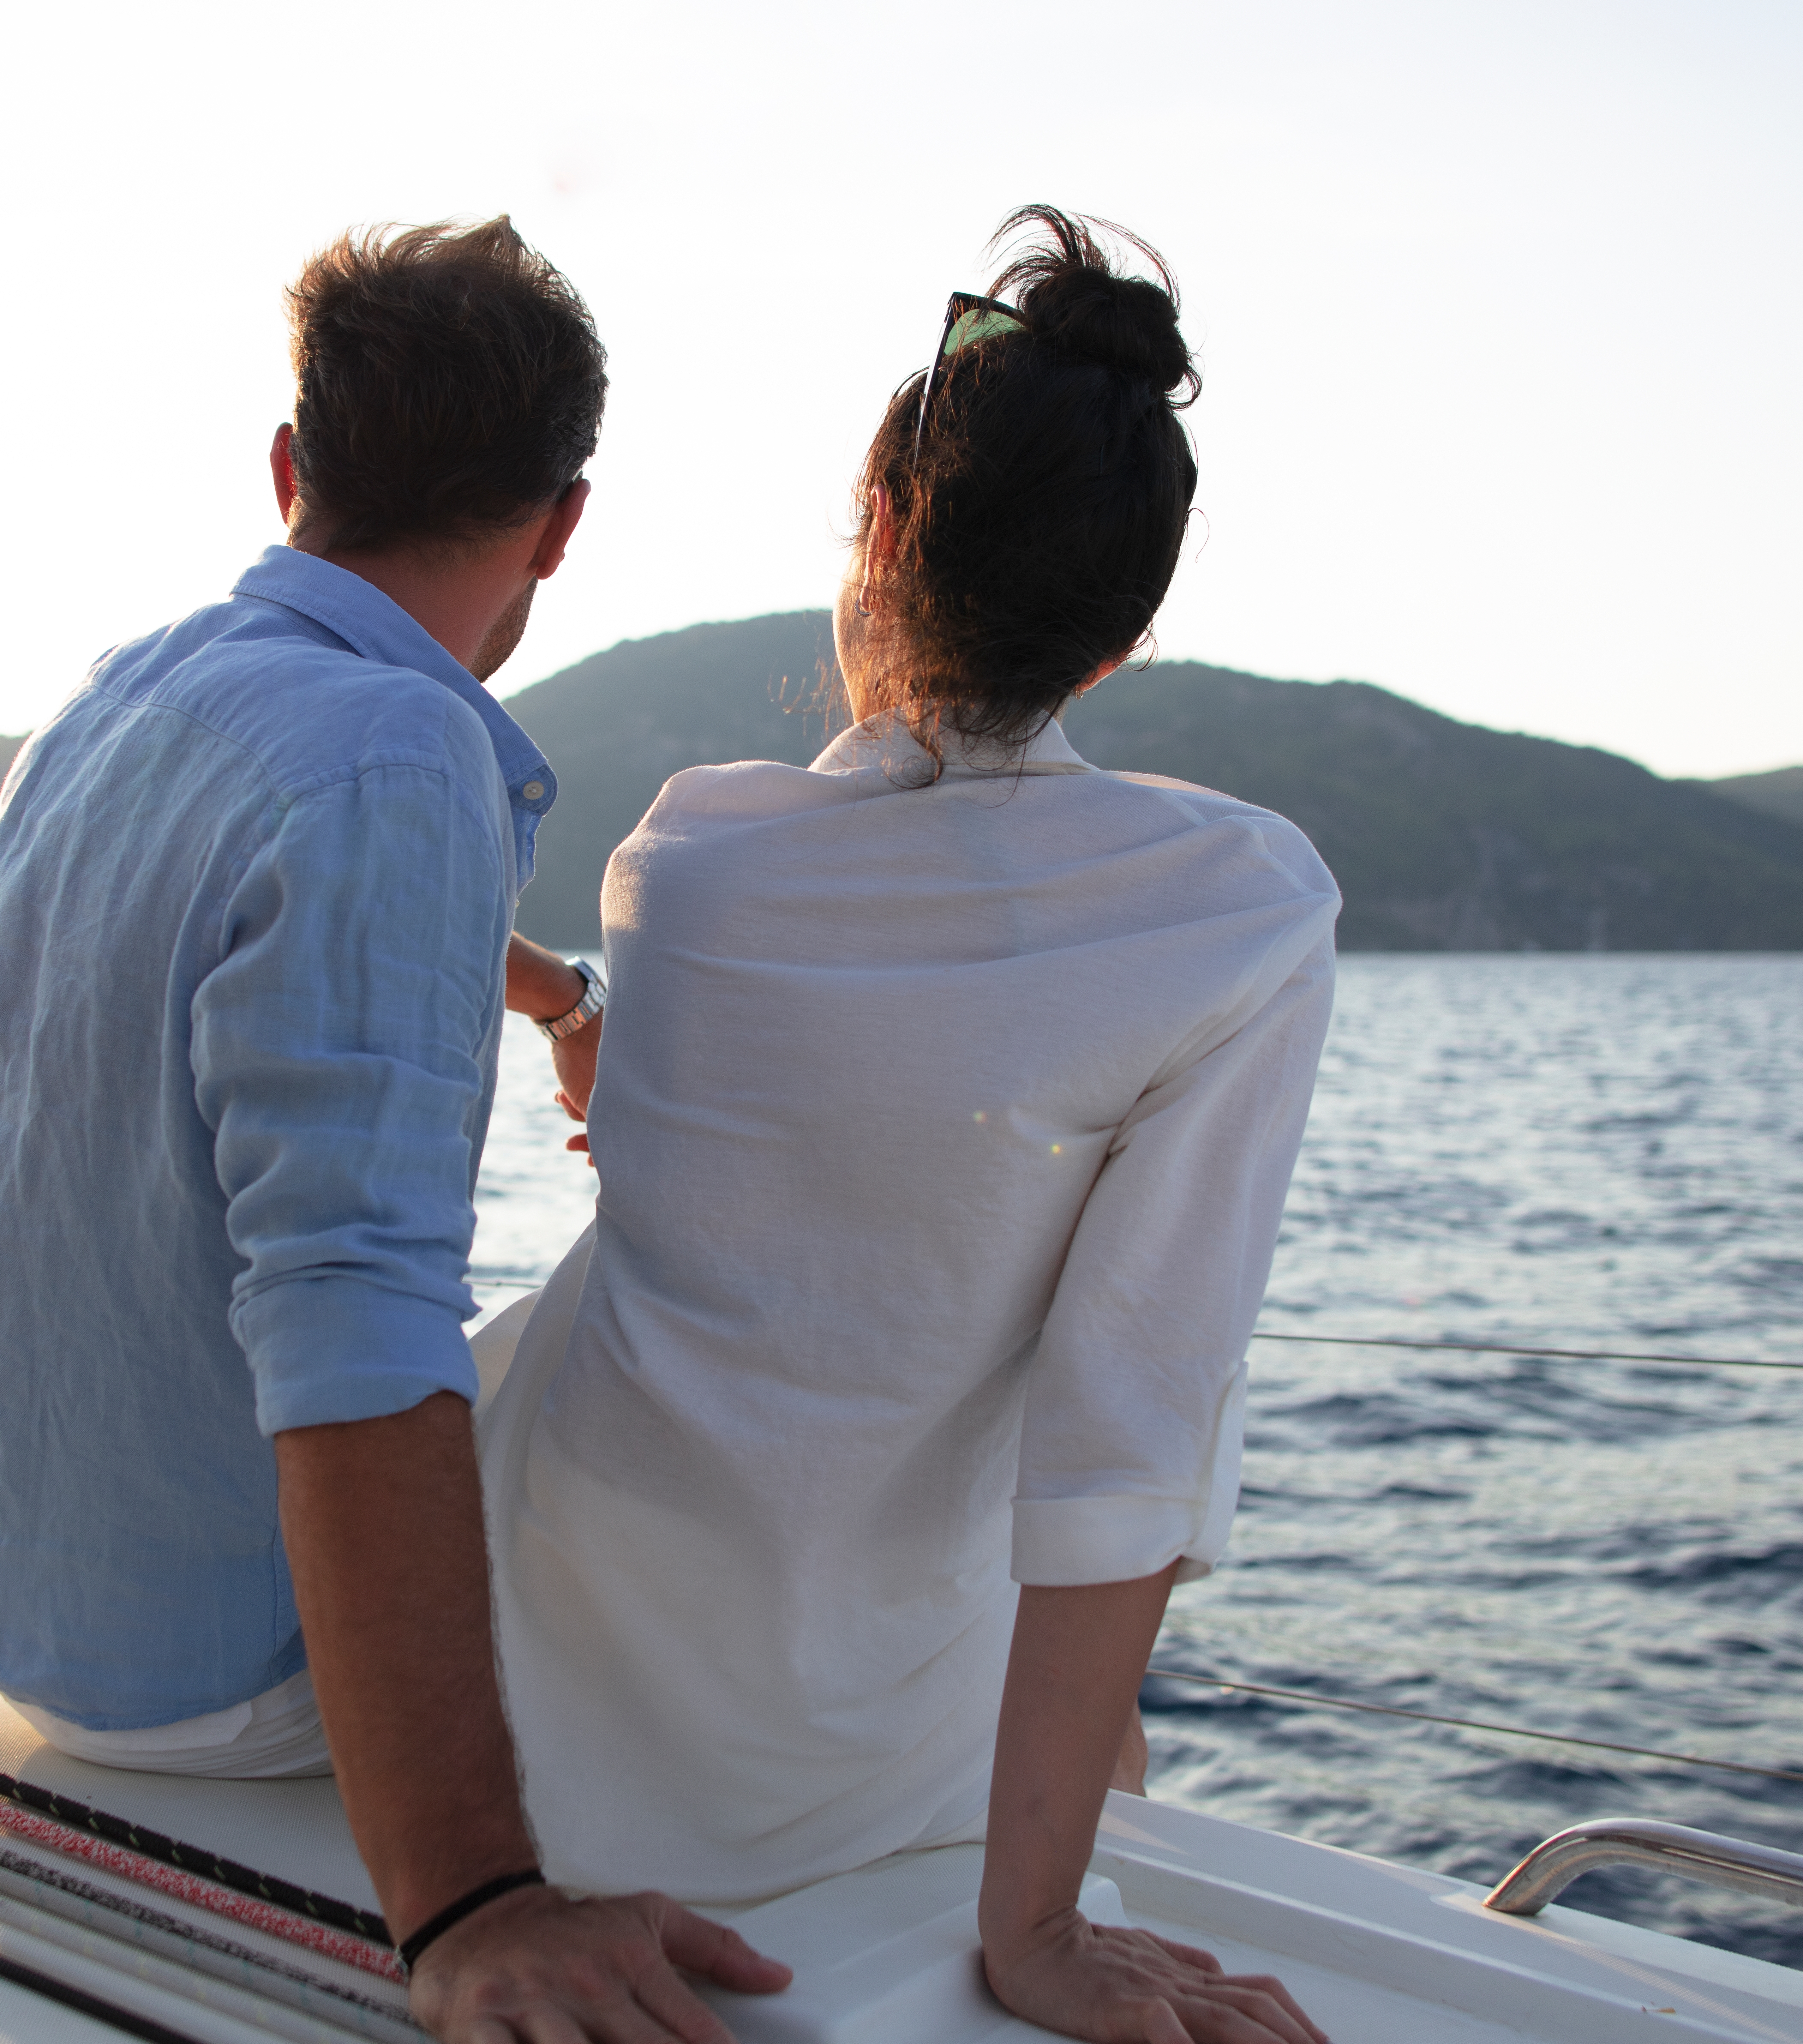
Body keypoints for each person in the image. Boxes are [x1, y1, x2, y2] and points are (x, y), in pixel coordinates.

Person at [0, 217, 787, 2043]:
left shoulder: (120, 700)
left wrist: (555, 1001)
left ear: (293, 468)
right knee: (682, 1361)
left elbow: (245, 927)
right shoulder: (401, 757)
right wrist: (472, 1904)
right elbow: (350, 1310)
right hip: (191, 1687)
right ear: (563, 523)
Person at [480, 208, 1340, 2044]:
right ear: (1126, 635)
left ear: (879, 533)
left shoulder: (685, 856)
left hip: (530, 1690)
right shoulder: (1237, 912)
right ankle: (1085, 1830)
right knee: (1099, 1408)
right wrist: (1034, 1930)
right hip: (852, 1768)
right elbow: (1130, 1430)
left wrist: (578, 1021)